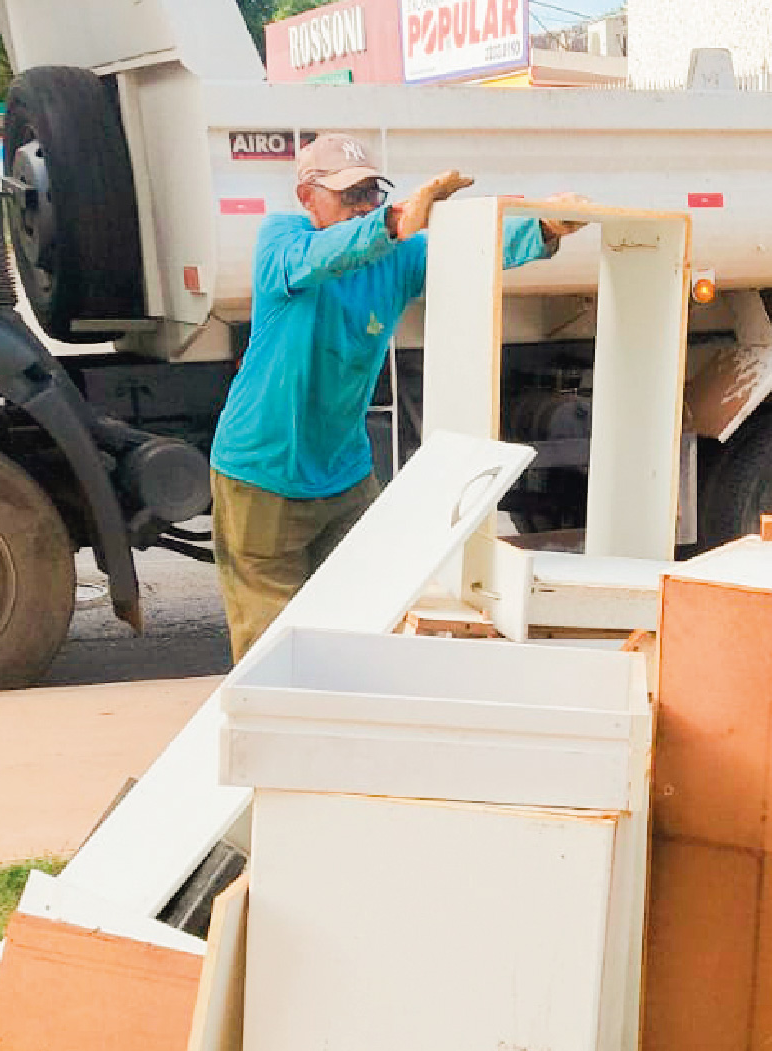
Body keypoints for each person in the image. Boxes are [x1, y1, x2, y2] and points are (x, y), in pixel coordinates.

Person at [208, 133, 585, 660]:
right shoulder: (283, 239)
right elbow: (318, 258)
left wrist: (542, 229)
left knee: (361, 618)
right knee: (271, 648)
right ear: (307, 197)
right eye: (349, 195)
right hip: (263, 471)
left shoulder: (396, 258)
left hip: (342, 472)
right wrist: (392, 222)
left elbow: (468, 250)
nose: (363, 205)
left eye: (371, 193)